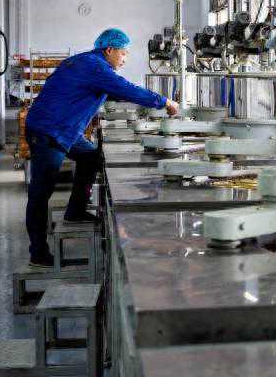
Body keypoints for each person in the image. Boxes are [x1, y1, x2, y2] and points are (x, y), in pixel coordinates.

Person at [25, 28, 179, 268]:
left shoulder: (86, 62)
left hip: (66, 130)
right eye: (123, 53)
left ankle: (75, 211)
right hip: (49, 131)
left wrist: (142, 100)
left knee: (91, 157)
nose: (125, 59)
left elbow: (115, 92)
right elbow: (125, 88)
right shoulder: (95, 66)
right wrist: (164, 101)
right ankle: (38, 254)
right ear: (109, 50)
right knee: (40, 193)